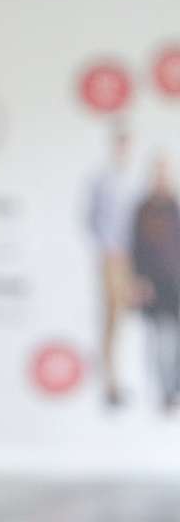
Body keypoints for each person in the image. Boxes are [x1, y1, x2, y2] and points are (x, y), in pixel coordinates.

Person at [87, 126, 135, 407]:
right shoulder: (102, 180)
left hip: (131, 259)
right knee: (112, 318)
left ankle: (122, 378)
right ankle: (110, 381)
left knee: (125, 320)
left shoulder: (132, 180)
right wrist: (109, 249)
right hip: (112, 258)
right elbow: (93, 218)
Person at [131, 154, 180, 412]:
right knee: (162, 338)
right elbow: (136, 248)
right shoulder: (143, 209)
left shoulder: (174, 206)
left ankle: (172, 387)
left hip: (175, 282)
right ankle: (164, 391)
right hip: (154, 283)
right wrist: (140, 280)